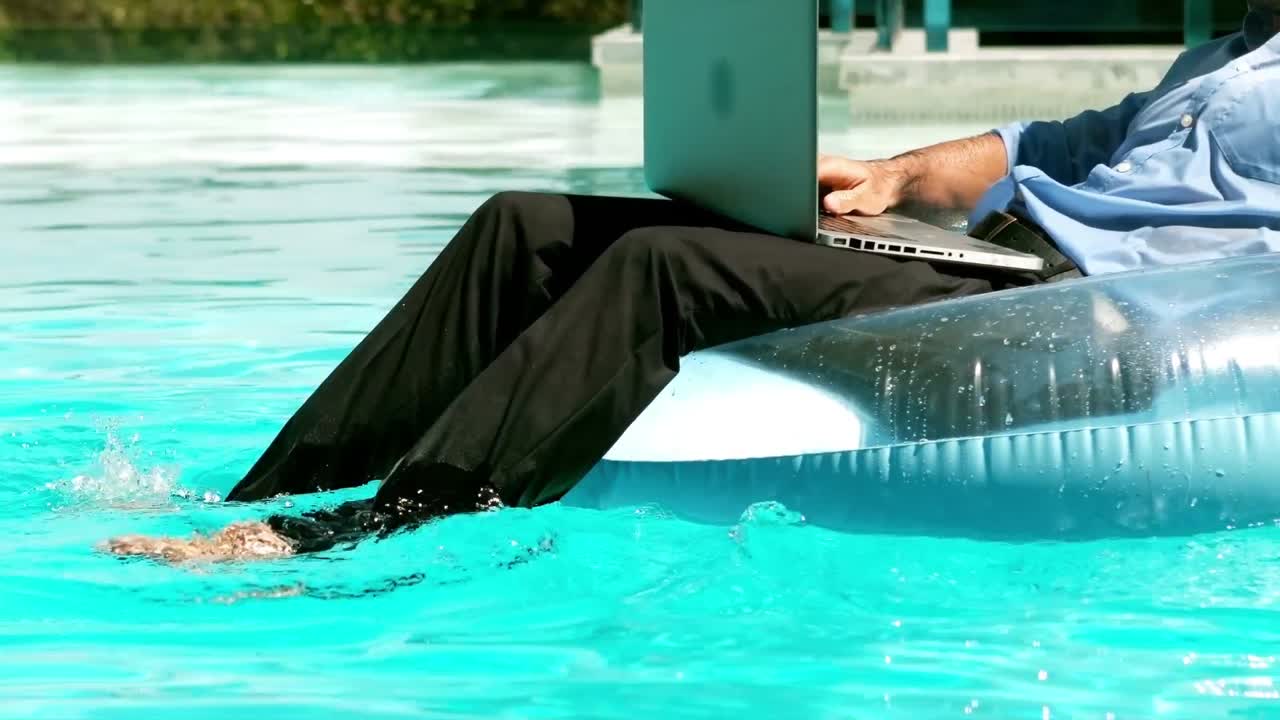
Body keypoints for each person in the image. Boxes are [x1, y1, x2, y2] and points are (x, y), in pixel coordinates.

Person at [107, 2, 1280, 561]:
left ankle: (342, 540)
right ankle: (273, 489)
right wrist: (890, 174)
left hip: (1081, 317)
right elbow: (1046, 143)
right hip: (1008, 259)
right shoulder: (1228, 50)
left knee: (660, 269)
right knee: (527, 225)